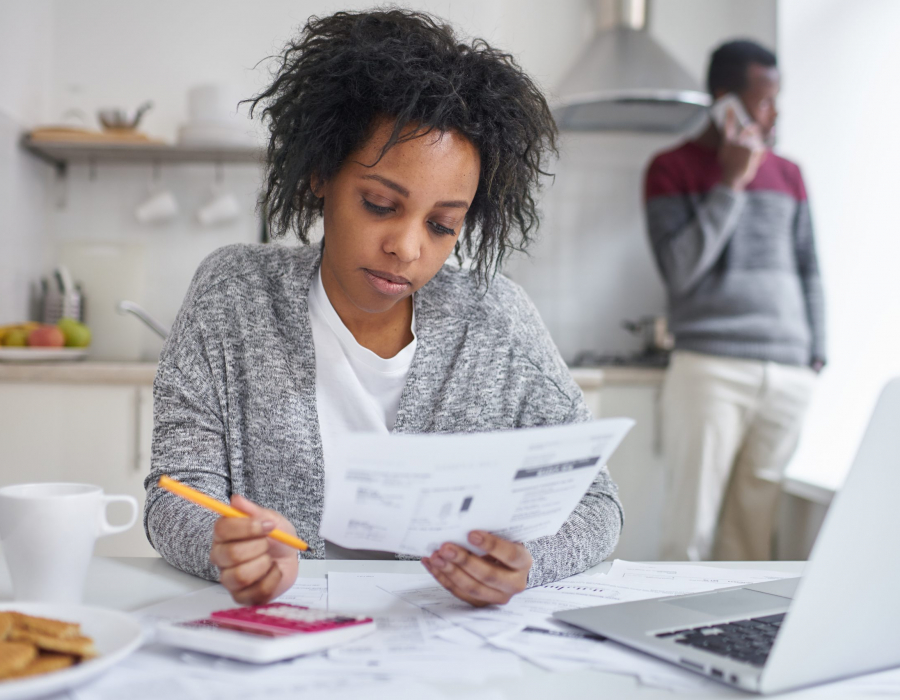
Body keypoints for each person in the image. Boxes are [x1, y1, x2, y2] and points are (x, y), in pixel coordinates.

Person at [144, 9, 623, 607]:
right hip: (279, 641)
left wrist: (527, 564)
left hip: (443, 650)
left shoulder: (498, 320)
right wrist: (222, 544)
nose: (407, 247)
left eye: (443, 225)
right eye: (378, 204)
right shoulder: (234, 294)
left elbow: (597, 504)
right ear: (321, 173)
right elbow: (175, 495)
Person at [644, 40, 825, 561]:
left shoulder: (790, 173)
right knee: (689, 534)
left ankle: (729, 643)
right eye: (764, 100)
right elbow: (680, 271)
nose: (774, 113)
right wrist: (731, 183)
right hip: (712, 366)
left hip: (789, 371)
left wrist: (817, 353)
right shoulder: (669, 168)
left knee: (751, 538)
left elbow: (810, 266)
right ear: (726, 99)